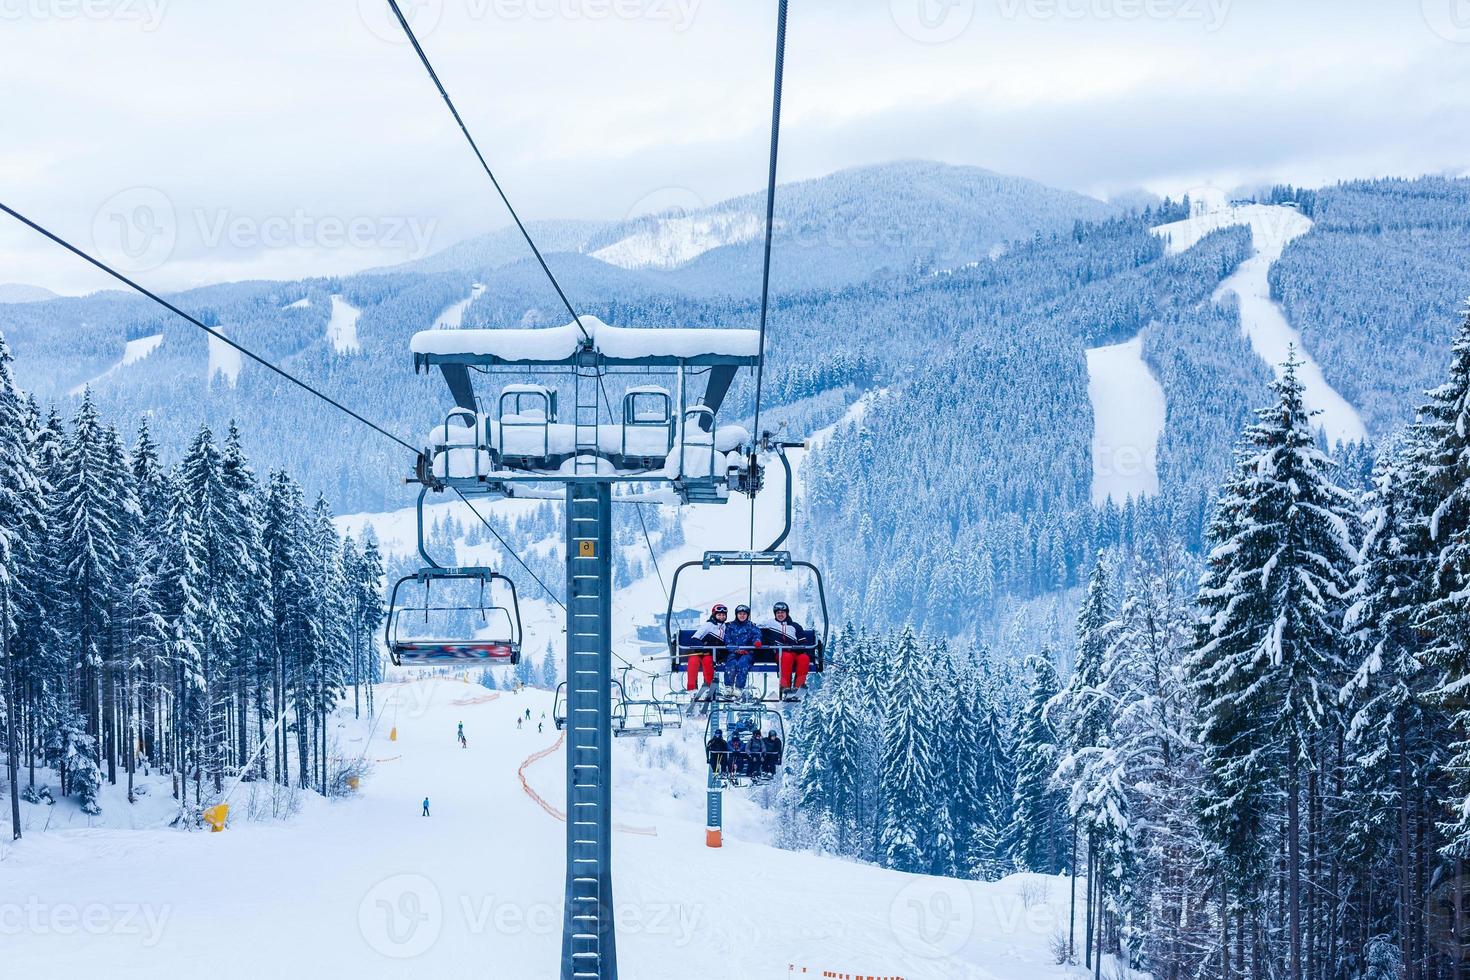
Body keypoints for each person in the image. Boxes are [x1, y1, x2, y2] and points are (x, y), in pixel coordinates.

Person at [760, 601, 810, 700]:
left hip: (795, 651)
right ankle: (785, 686)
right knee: (786, 657)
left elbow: (802, 641)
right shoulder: (770, 624)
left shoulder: (795, 626)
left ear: (787, 613)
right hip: (780, 653)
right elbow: (757, 629)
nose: (780, 615)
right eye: (778, 613)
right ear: (775, 614)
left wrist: (801, 647)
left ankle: (798, 686)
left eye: (782, 612)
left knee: (804, 658)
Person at [687, 604, 727, 696]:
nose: (721, 617)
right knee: (693, 661)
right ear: (714, 615)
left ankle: (708, 685)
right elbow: (694, 638)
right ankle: (691, 687)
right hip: (701, 651)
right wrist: (703, 648)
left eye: (723, 615)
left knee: (708, 661)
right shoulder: (708, 625)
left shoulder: (725, 627)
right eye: (719, 615)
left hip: (712, 654)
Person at [722, 605, 762, 698]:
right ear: (736, 615)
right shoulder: (730, 626)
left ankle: (739, 688)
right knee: (731, 664)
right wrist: (735, 649)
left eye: (744, 614)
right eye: (740, 614)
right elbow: (727, 640)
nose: (742, 616)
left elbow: (757, 635)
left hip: (747, 653)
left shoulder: (751, 626)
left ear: (747, 615)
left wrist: (757, 641)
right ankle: (728, 686)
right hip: (733, 652)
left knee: (742, 664)